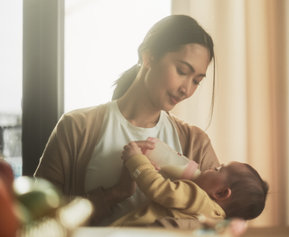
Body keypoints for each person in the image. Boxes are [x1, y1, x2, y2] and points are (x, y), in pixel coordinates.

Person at [34, 15, 220, 226]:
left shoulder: (196, 143)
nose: (186, 89)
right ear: (148, 57)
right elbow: (38, 218)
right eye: (182, 71)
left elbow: (223, 217)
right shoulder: (76, 128)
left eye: (196, 81)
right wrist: (116, 193)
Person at [111, 141, 268, 226]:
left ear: (220, 193)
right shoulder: (214, 221)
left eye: (218, 169)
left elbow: (158, 189)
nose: (211, 168)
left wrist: (136, 160)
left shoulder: (197, 196)